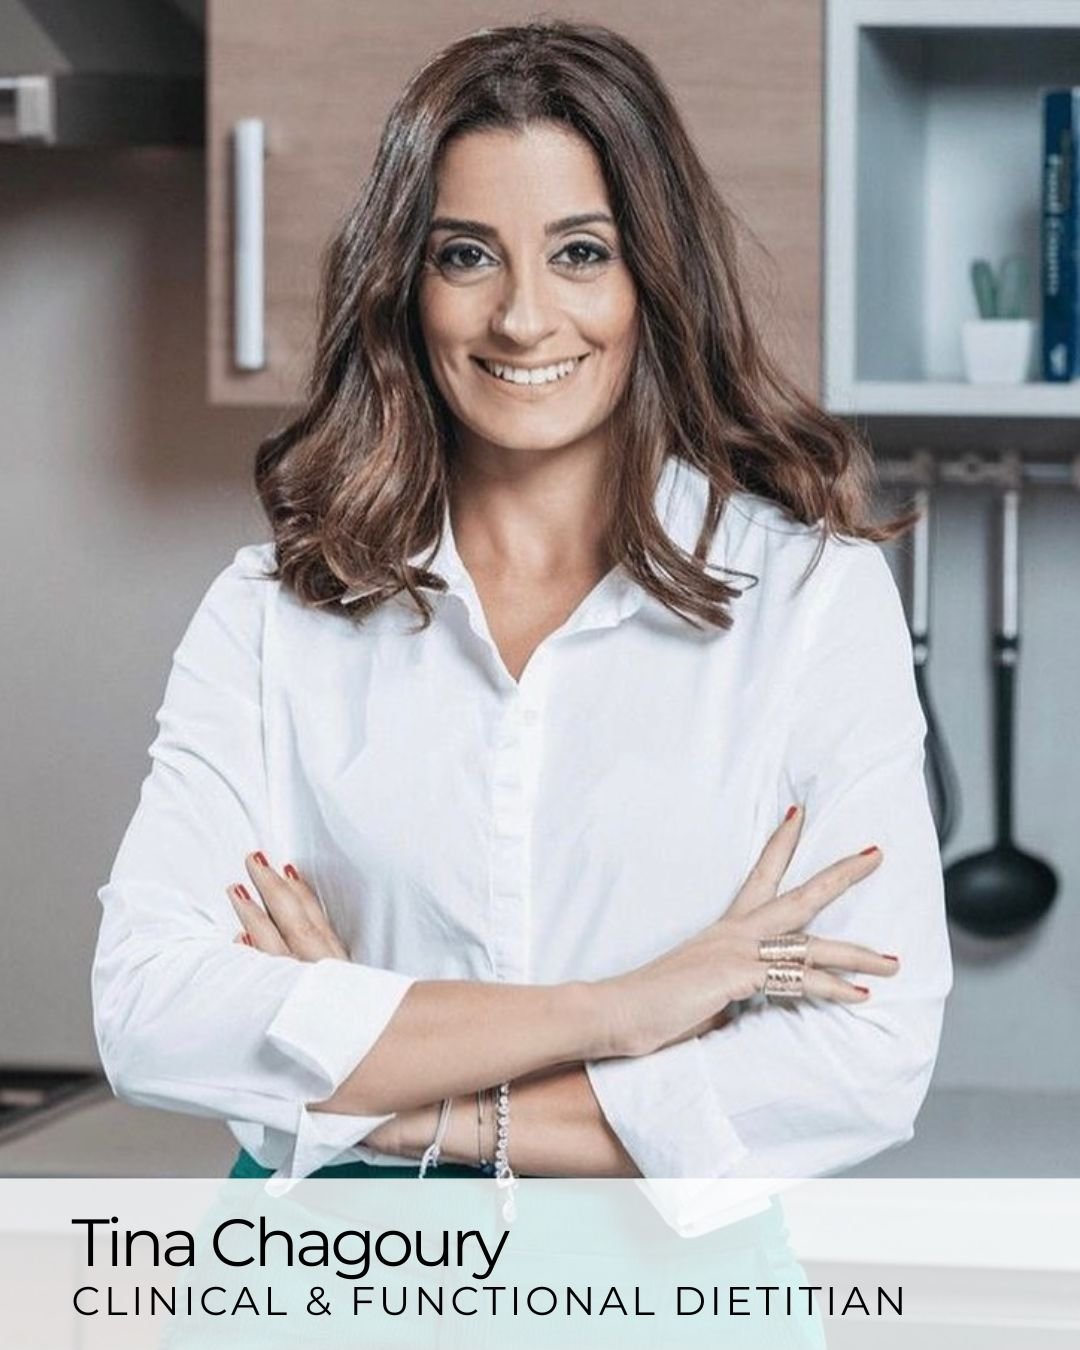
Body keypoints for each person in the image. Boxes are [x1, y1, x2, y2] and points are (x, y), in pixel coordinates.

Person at [92, 19, 952, 1221]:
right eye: (465, 256)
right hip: (331, 1270)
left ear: (655, 273)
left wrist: (404, 1109)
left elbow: (865, 1060)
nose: (525, 319)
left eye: (581, 252)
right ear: (406, 281)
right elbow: (151, 1011)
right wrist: (627, 1008)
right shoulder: (274, 614)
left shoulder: (809, 601)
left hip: (656, 1283)